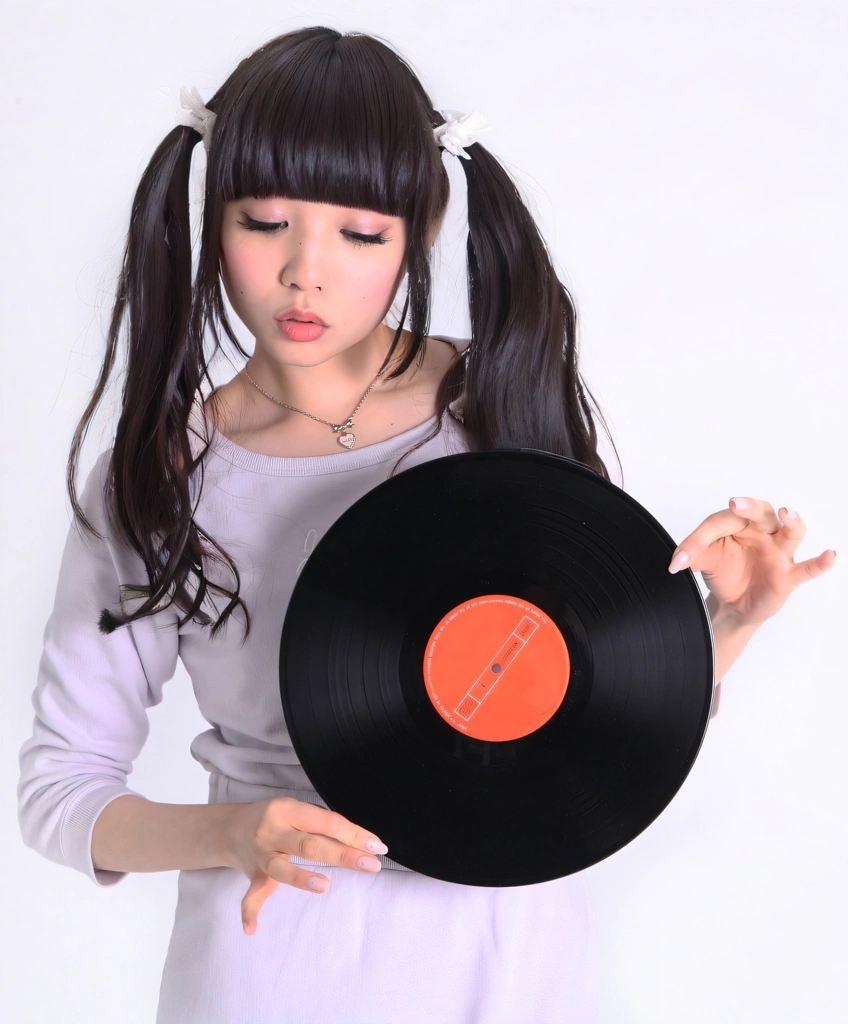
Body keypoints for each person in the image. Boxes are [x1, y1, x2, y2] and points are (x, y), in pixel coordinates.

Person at [16, 25, 836, 1024]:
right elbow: (62, 791)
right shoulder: (155, 478)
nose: (304, 273)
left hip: (510, 957)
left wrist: (726, 622)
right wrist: (231, 833)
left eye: (360, 235)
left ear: (421, 227)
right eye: (264, 221)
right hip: (273, 964)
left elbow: (594, 705)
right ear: (211, 214)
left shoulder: (515, 400)